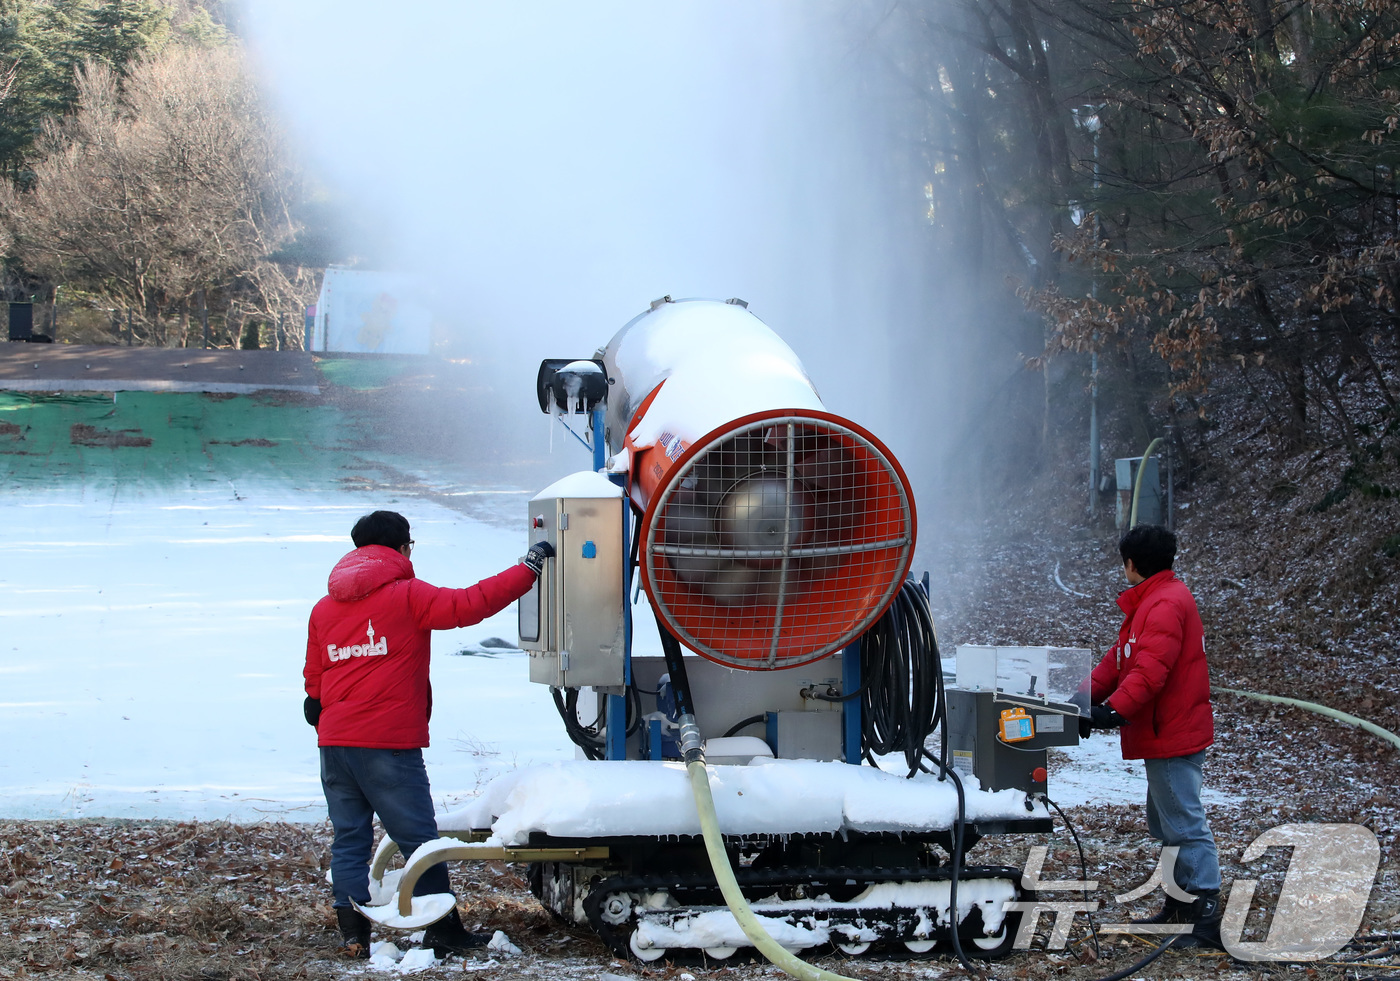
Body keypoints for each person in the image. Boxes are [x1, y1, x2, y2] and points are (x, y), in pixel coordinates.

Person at [303, 510, 553, 958]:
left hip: (334, 742)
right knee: (419, 837)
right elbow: (469, 604)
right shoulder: (405, 596)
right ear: (401, 549)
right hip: (387, 743)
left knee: (350, 838)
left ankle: (352, 932)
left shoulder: (325, 607)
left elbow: (316, 676)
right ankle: (441, 928)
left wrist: (319, 704)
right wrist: (528, 568)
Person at [1081, 524, 1222, 948]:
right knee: (1165, 822)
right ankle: (1179, 906)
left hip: (1172, 733)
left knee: (1183, 823)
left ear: (1131, 563)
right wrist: (1080, 695)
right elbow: (1121, 659)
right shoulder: (1152, 601)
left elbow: (1148, 673)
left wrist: (1112, 712)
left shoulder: (1163, 604)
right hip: (1165, 732)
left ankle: (1203, 917)